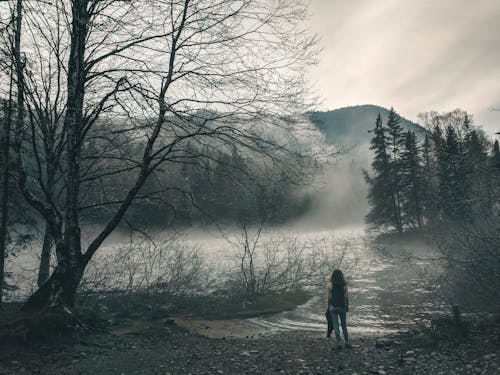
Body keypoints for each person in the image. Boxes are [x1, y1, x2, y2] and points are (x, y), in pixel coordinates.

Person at [327, 269, 351, 349]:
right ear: (341, 276)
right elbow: (346, 298)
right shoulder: (344, 285)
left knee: (336, 325)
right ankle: (347, 342)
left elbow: (329, 298)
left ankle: (338, 343)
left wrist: (328, 307)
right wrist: (347, 306)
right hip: (342, 307)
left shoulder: (330, 284)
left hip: (333, 307)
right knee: (344, 325)